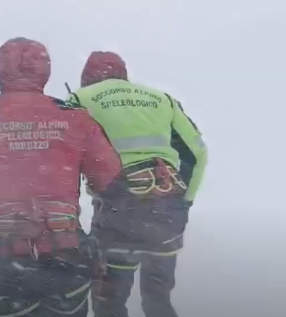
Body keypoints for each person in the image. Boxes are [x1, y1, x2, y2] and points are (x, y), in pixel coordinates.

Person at [0, 38, 126, 317]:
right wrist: (106, 244)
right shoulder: (76, 120)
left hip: (4, 261)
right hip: (66, 258)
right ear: (45, 71)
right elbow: (113, 184)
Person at [66, 51, 208, 317]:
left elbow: (65, 158)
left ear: (87, 78)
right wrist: (184, 203)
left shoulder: (79, 99)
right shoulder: (162, 99)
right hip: (166, 211)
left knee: (110, 301)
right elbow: (198, 154)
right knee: (158, 300)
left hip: (118, 210)